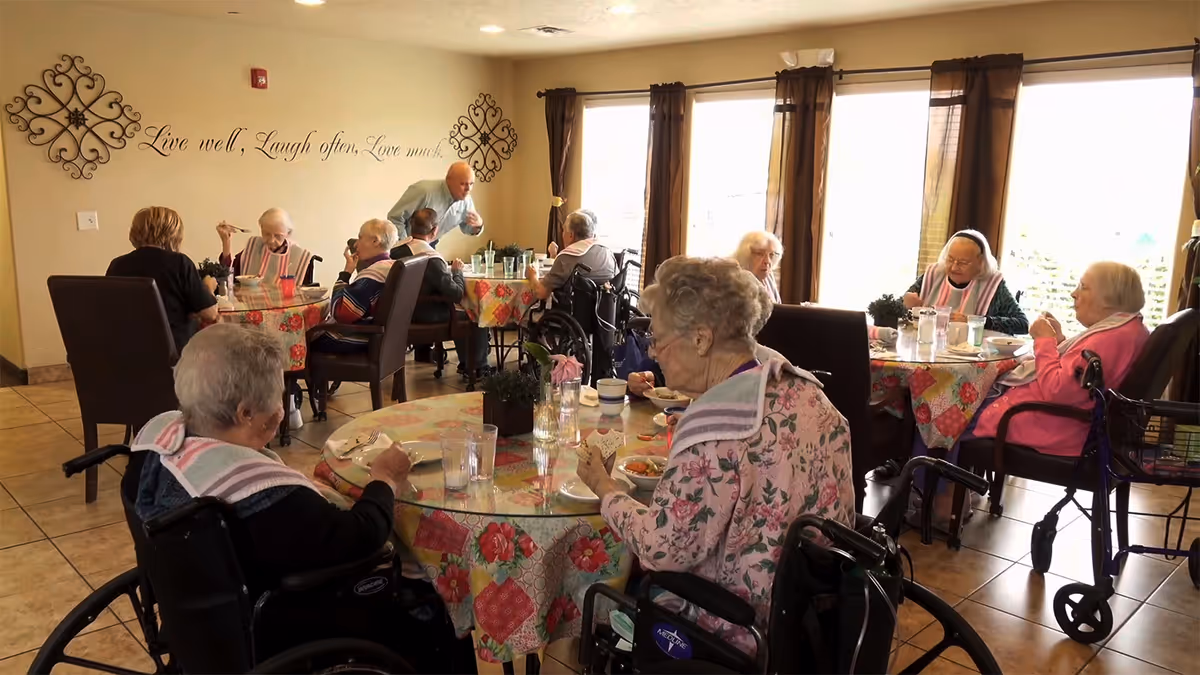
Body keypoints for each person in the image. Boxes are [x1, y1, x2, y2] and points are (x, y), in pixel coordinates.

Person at [129, 324, 475, 672]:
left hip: (201, 624)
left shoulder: (155, 450)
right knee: (431, 593)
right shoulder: (267, 499)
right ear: (246, 413)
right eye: (277, 396)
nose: (281, 408)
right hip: (279, 627)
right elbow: (363, 536)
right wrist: (384, 478)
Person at [576, 256, 856, 655]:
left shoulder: (714, 434)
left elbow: (662, 549)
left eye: (658, 339)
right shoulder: (812, 396)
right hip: (811, 622)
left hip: (733, 629)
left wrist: (604, 487)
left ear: (702, 339)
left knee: (611, 588)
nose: (653, 353)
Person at [911, 261, 1150, 523]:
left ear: (1109, 298)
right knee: (956, 400)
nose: (1074, 293)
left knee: (942, 411)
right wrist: (1059, 341)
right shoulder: (1128, 329)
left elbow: (1058, 391)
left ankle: (939, 502)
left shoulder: (1109, 338)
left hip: (1051, 425)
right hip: (1069, 423)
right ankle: (954, 492)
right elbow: (1081, 376)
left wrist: (1044, 341)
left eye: (1084, 287)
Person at [391, 208, 491, 378]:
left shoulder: (396, 251)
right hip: (426, 314)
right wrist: (457, 272)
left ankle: (468, 363)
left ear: (410, 227)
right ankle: (477, 367)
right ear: (435, 230)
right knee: (473, 312)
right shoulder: (430, 258)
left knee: (461, 311)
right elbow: (456, 294)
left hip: (401, 313)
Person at [107, 206, 219, 351]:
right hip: (176, 354)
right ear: (173, 233)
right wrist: (208, 287)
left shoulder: (117, 265)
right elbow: (210, 314)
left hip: (127, 352)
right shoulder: (179, 263)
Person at [902, 230, 1027, 335]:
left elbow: (1022, 324)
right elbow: (891, 311)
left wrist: (976, 321)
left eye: (963, 263)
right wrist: (904, 304)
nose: (954, 267)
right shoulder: (934, 274)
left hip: (975, 357)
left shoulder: (992, 284)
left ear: (980, 263)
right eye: (950, 259)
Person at [311, 219, 398, 354]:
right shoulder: (392, 266)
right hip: (386, 339)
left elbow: (340, 313)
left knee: (306, 338)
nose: (356, 245)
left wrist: (345, 274)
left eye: (360, 238)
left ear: (375, 241)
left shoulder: (372, 276)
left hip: (361, 339)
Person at [525, 209, 617, 301]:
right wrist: (554, 255)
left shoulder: (567, 257)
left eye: (563, 230)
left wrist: (533, 276)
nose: (562, 233)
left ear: (571, 235)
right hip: (607, 309)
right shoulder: (606, 251)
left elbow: (541, 293)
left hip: (577, 310)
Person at [387, 162, 484, 246]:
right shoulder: (423, 191)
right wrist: (405, 246)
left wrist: (479, 225)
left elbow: (467, 229)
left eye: (471, 184)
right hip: (407, 242)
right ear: (448, 180)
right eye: (463, 184)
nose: (468, 189)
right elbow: (395, 217)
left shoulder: (466, 201)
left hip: (430, 245)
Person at [216, 208, 315, 285]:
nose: (271, 240)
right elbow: (228, 273)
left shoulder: (299, 256)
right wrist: (226, 241)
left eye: (277, 236)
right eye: (266, 234)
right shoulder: (254, 246)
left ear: (288, 233)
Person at [733, 231, 782, 304]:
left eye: (771, 255)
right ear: (746, 254)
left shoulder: (768, 277)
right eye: (760, 254)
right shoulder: (736, 282)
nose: (767, 261)